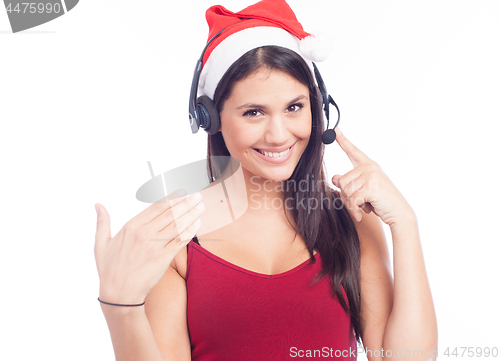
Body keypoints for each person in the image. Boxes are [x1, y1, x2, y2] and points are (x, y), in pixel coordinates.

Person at [94, 0, 437, 360]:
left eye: (294, 107)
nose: (278, 135)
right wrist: (120, 307)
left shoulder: (351, 219)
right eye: (254, 112)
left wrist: (406, 224)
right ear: (211, 118)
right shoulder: (177, 236)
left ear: (317, 108)